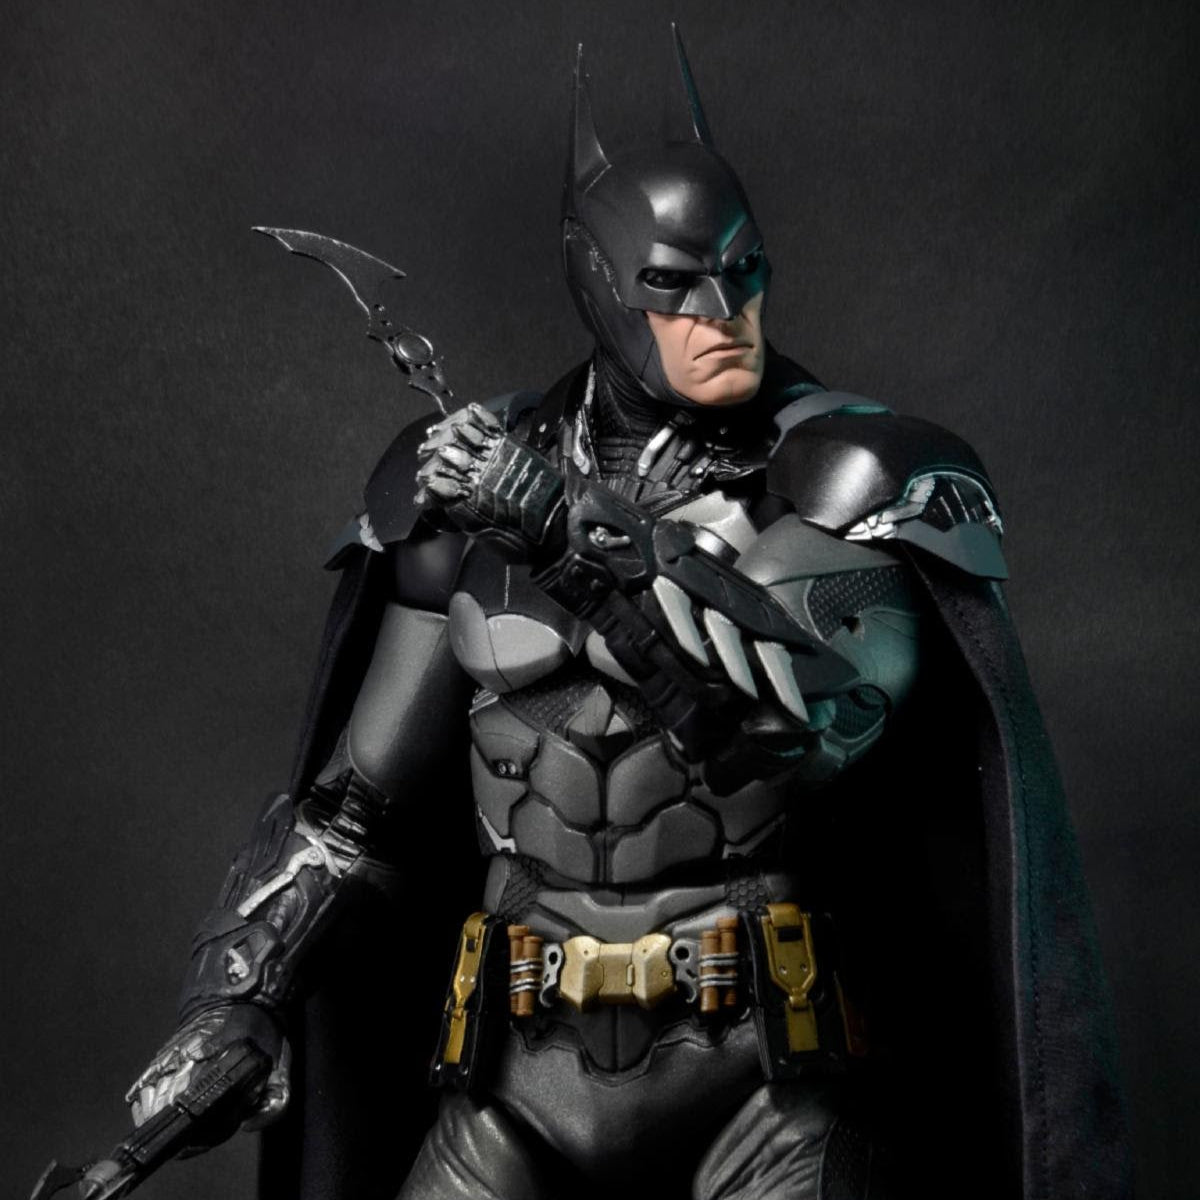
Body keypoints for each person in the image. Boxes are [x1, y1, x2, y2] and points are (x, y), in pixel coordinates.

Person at [123, 32, 1130, 1200]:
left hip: (767, 1087)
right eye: (674, 285)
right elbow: (355, 816)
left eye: (745, 273)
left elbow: (795, 733)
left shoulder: (848, 474)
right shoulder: (463, 488)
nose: (724, 313)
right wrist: (236, 996)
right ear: (601, 285)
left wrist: (565, 534)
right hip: (512, 1085)